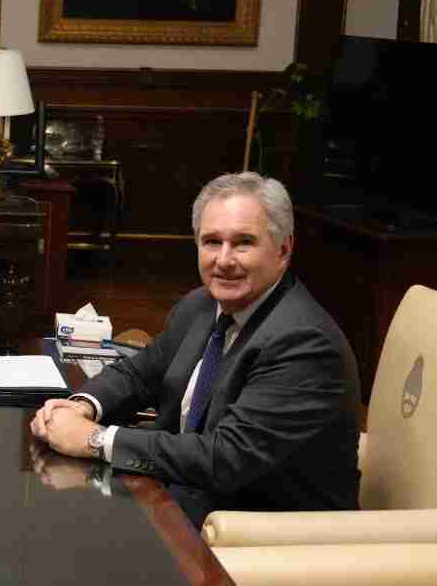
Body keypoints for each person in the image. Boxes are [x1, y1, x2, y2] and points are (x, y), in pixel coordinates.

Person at [31, 172, 361, 525]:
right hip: (183, 499)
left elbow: (226, 459)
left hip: (259, 536)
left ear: (284, 249)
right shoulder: (202, 304)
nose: (223, 259)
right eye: (211, 242)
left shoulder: (304, 343)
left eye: (244, 242)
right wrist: (80, 407)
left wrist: (95, 440)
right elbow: (139, 373)